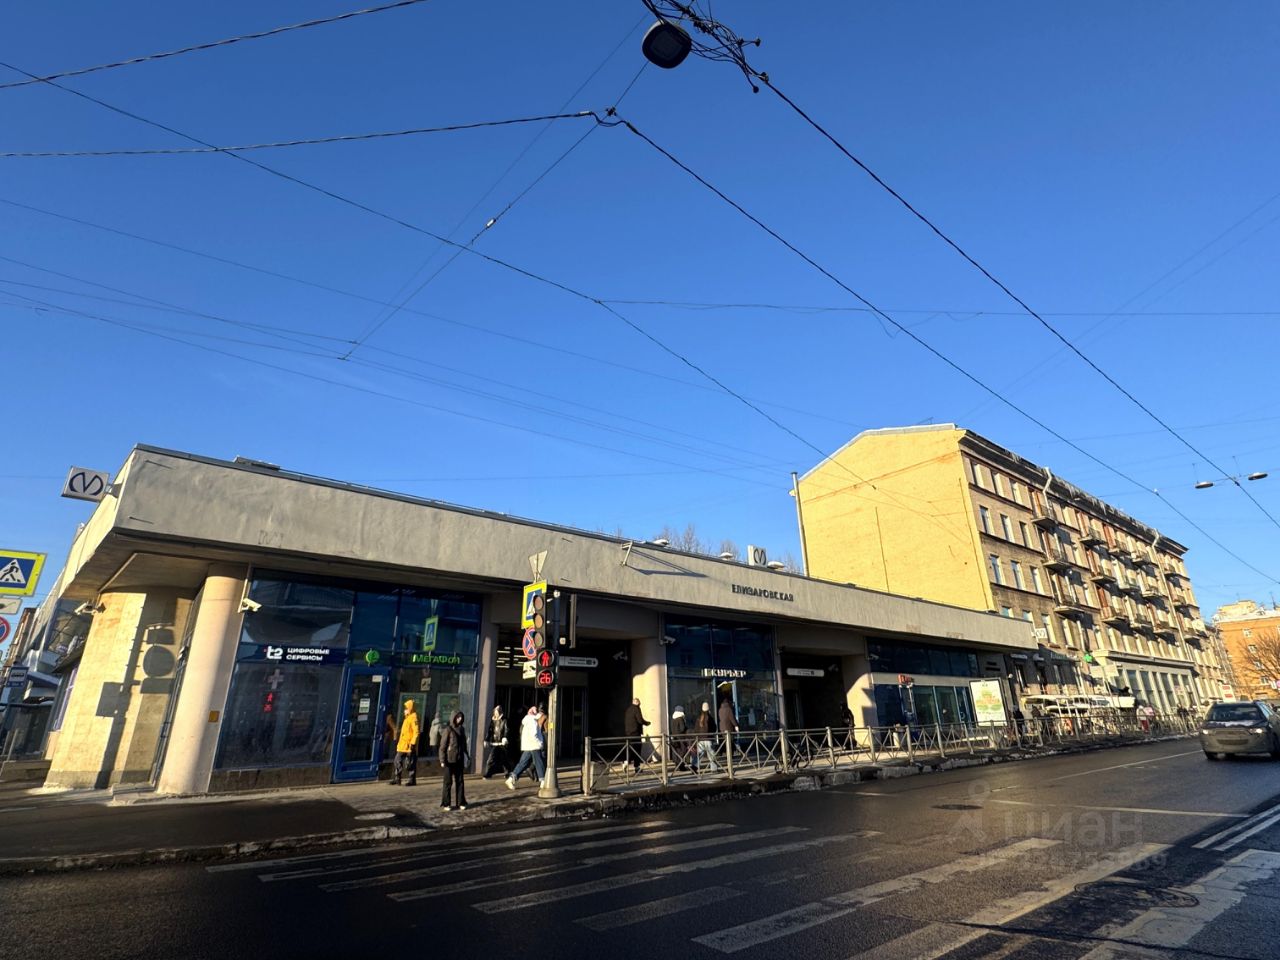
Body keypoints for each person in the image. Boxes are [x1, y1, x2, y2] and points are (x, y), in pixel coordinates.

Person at [506, 706, 545, 790]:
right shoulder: (532, 720)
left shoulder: (527, 720)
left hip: (528, 745)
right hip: (534, 745)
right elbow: (534, 734)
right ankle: (543, 781)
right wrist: (539, 743)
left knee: (523, 763)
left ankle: (511, 778)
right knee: (539, 762)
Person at [439, 710, 469, 810]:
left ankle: (461, 802)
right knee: (448, 782)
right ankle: (446, 803)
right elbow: (442, 747)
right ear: (453, 718)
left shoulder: (462, 729)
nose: (459, 719)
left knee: (460, 781)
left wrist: (467, 756)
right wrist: (442, 760)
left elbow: (464, 745)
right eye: (458, 717)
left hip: (459, 759)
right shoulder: (448, 730)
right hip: (449, 760)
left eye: (461, 717)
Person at [391, 699, 420, 786]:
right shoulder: (407, 718)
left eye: (406, 708)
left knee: (410, 762)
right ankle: (397, 778)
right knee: (397, 760)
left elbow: (416, 732)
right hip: (402, 745)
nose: (405, 710)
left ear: (410, 708)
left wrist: (413, 743)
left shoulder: (413, 718)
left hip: (409, 745)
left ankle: (412, 779)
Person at [623, 697, 650, 774]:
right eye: (639, 703)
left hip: (628, 733)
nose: (640, 704)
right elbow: (640, 720)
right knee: (637, 750)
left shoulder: (628, 710)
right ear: (637, 703)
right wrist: (647, 723)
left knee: (630, 749)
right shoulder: (637, 709)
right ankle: (637, 767)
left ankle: (626, 762)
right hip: (635, 733)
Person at [483, 705, 510, 779]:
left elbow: (507, 730)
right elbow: (490, 731)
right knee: (492, 758)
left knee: (503, 759)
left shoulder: (504, 720)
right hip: (495, 743)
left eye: (497, 712)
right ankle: (488, 773)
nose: (496, 713)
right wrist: (487, 739)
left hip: (502, 743)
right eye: (495, 712)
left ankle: (507, 772)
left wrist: (505, 737)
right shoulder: (493, 721)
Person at [694, 701, 717, 772]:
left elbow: (696, 729)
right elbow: (714, 728)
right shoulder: (710, 718)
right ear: (708, 708)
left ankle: (694, 767)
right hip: (708, 738)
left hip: (700, 739)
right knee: (711, 755)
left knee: (699, 755)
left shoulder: (699, 718)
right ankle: (714, 769)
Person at [670, 706, 691, 771]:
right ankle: (681, 766)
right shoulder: (680, 719)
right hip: (681, 738)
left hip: (675, 738)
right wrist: (686, 728)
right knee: (683, 751)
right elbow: (682, 728)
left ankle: (677, 765)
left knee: (677, 752)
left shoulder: (673, 719)